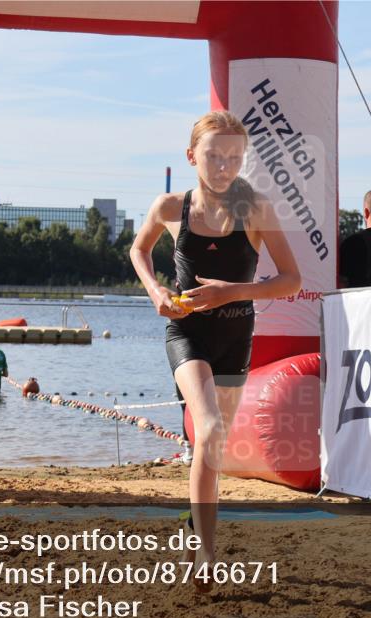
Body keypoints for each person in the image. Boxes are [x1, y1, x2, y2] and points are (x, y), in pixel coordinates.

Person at [129, 111, 301, 588]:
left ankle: (193, 526)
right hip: (188, 335)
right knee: (207, 429)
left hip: (235, 337)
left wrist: (231, 291)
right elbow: (138, 251)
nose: (224, 165)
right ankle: (207, 552)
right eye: (213, 155)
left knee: (215, 446)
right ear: (191, 157)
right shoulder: (170, 207)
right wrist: (156, 292)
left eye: (234, 157)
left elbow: (292, 281)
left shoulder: (257, 209)